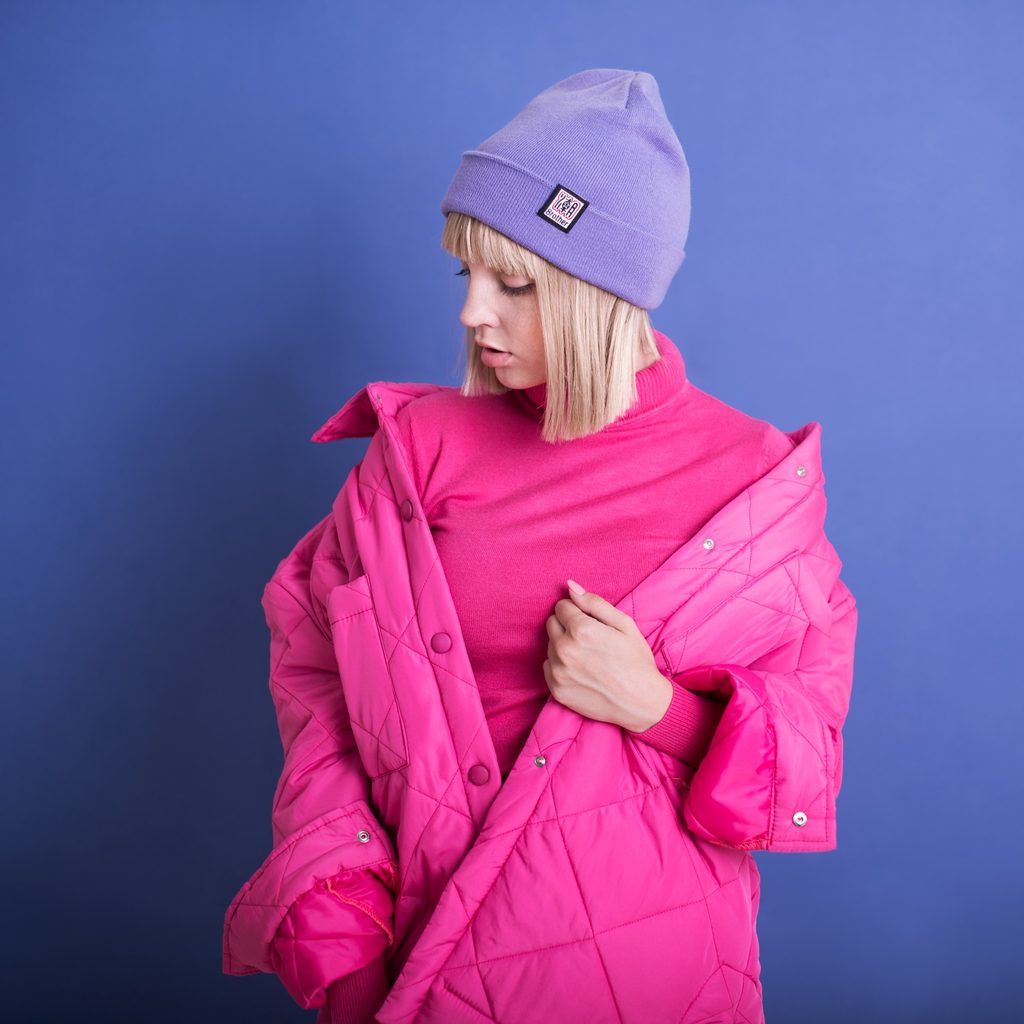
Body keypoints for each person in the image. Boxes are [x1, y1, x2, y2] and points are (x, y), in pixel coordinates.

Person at [222, 68, 858, 1024]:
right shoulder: (418, 453)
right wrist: (344, 929)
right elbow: (318, 675)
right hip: (415, 956)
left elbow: (805, 767)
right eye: (466, 274)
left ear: (605, 288)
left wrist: (654, 707)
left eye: (514, 282)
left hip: (648, 968)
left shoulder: (755, 481)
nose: (473, 312)